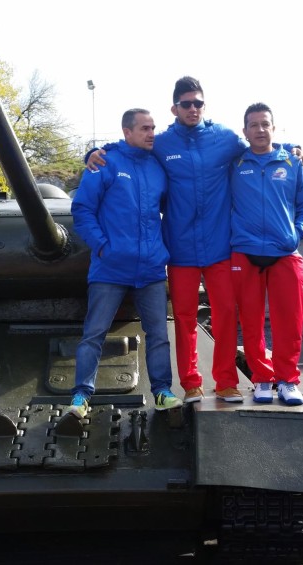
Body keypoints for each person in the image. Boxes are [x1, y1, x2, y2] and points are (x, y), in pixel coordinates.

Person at [87, 77, 303, 404]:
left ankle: (226, 381)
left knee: (226, 315)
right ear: (174, 108)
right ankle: (191, 384)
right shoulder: (161, 143)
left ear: (204, 105)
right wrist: (95, 152)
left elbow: (260, 146)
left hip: (219, 247)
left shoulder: (225, 139)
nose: (192, 109)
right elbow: (131, 149)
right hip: (180, 249)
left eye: (198, 103)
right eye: (186, 104)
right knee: (185, 319)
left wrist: (292, 150)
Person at [64, 108, 183, 419]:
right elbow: (82, 210)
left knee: (158, 335)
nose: (151, 133)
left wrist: (164, 250)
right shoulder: (104, 162)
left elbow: (172, 209)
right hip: (111, 268)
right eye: (144, 128)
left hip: (152, 269)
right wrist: (104, 247)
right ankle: (81, 395)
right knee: (94, 333)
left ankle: (162, 391)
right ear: (127, 131)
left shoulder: (157, 167)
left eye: (153, 127)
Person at [229, 103, 303, 405]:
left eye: (265, 124)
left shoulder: (293, 162)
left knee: (289, 321)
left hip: (285, 252)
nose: (260, 130)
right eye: (253, 125)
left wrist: (297, 233)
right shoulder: (235, 163)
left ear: (274, 128)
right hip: (245, 251)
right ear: (245, 131)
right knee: (252, 322)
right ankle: (262, 380)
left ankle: (288, 380)